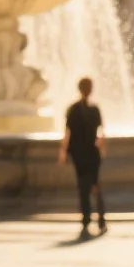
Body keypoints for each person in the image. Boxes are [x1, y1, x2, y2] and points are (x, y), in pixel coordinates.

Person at [59, 76, 107, 239]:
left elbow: (68, 133)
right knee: (94, 185)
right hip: (90, 152)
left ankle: (88, 218)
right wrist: (101, 147)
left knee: (84, 185)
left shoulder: (74, 109)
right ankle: (99, 217)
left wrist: (63, 151)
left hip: (79, 152)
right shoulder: (93, 108)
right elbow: (101, 132)